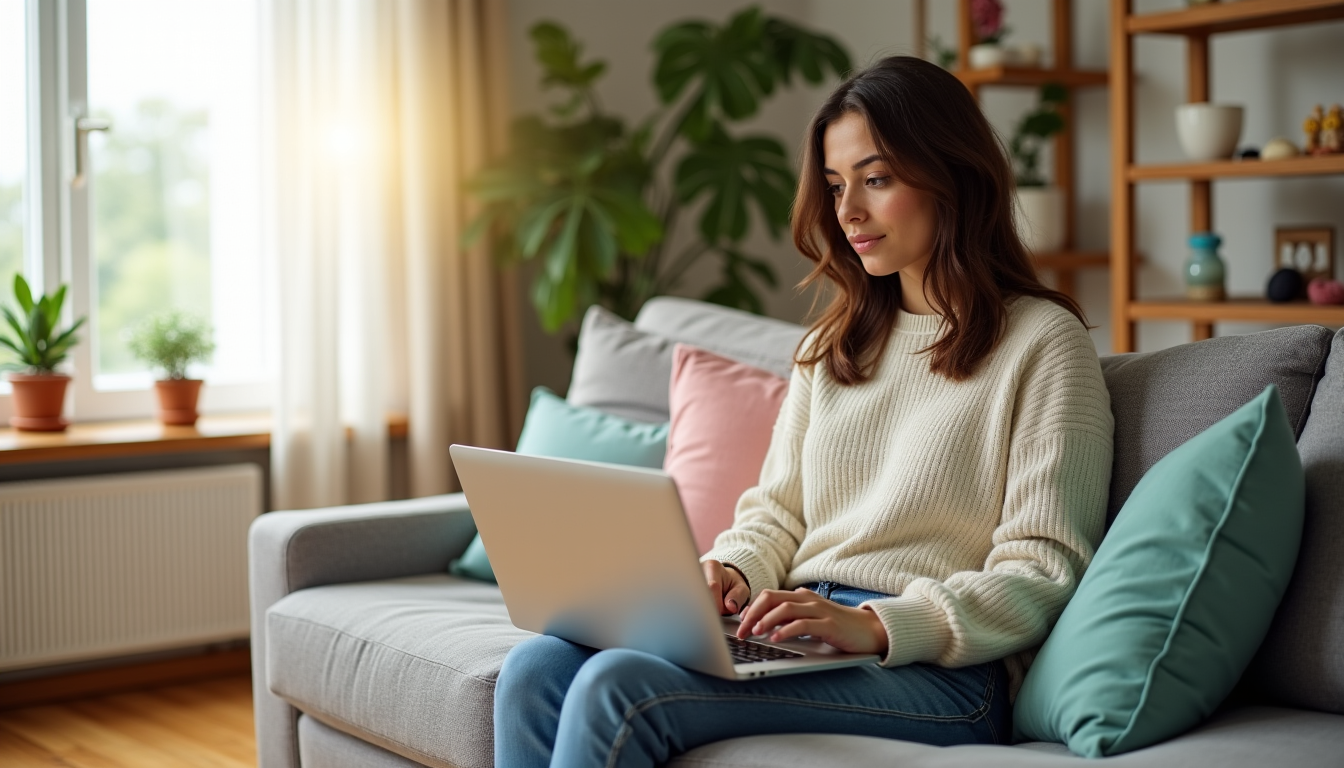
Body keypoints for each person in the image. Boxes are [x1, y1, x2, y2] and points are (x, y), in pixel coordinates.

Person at [493, 55, 1114, 768]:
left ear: (955, 174)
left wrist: (875, 623)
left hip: (942, 675)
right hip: (798, 631)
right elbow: (777, 514)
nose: (848, 213)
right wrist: (732, 571)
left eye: (875, 180)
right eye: (836, 185)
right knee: (535, 671)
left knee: (618, 688)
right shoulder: (833, 344)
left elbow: (1043, 568)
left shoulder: (1042, 342)